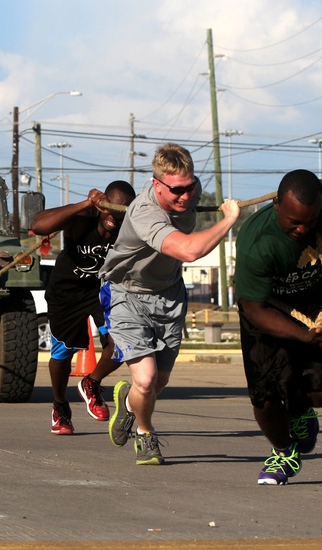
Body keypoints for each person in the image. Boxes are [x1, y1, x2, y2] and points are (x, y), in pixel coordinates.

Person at [98, 143, 240, 465]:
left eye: (190, 187)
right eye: (176, 190)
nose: (185, 197)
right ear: (156, 183)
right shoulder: (145, 212)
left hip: (169, 295)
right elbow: (190, 251)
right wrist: (229, 220)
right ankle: (145, 434)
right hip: (126, 293)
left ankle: (130, 402)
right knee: (146, 379)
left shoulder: (189, 189)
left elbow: (188, 194)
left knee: (157, 383)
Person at [233, 169, 322, 485]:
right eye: (294, 222)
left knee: (321, 391)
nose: (302, 228)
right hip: (267, 309)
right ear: (277, 205)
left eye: (309, 221)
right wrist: (304, 335)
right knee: (265, 395)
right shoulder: (257, 240)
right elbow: (254, 307)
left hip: (317, 303)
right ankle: (283, 451)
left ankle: (301, 411)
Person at [29, 181, 136, 435]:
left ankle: (92, 382)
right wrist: (86, 203)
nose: (114, 216)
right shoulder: (83, 218)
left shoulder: (130, 227)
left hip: (101, 291)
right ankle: (60, 406)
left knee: (122, 343)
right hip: (67, 292)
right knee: (62, 354)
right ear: (102, 205)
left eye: (122, 211)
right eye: (111, 208)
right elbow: (37, 225)